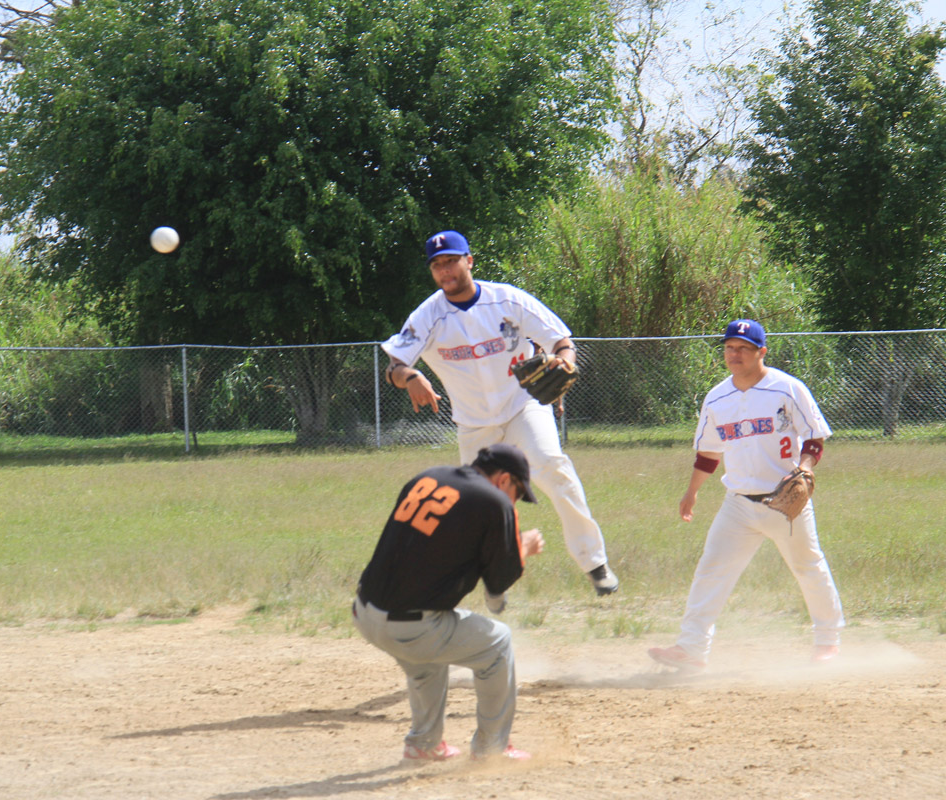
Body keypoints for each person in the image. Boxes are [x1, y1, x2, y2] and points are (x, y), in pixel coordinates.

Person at [382, 230, 618, 596]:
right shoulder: (428, 317)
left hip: (522, 408)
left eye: (451, 261)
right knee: (474, 507)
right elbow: (394, 366)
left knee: (553, 467)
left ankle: (595, 563)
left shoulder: (507, 300)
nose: (445, 270)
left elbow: (562, 342)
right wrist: (409, 375)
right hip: (474, 427)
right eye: (437, 264)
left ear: (469, 261)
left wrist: (565, 362)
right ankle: (493, 581)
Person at [648, 319, 845, 671]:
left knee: (808, 567)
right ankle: (692, 649)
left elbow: (814, 437)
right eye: (729, 347)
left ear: (761, 352)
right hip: (737, 504)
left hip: (786, 502)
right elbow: (708, 453)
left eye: (743, 348)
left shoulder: (786, 388)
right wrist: (691, 492)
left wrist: (806, 467)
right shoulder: (717, 397)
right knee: (712, 571)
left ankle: (828, 642)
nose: (734, 354)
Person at [353, 443, 546, 761]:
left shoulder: (429, 477)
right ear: (503, 480)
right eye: (518, 491)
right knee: (498, 643)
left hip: (364, 612)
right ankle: (491, 748)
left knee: (426, 661)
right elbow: (497, 582)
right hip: (411, 626)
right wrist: (522, 547)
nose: (515, 499)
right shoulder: (496, 501)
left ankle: (423, 744)